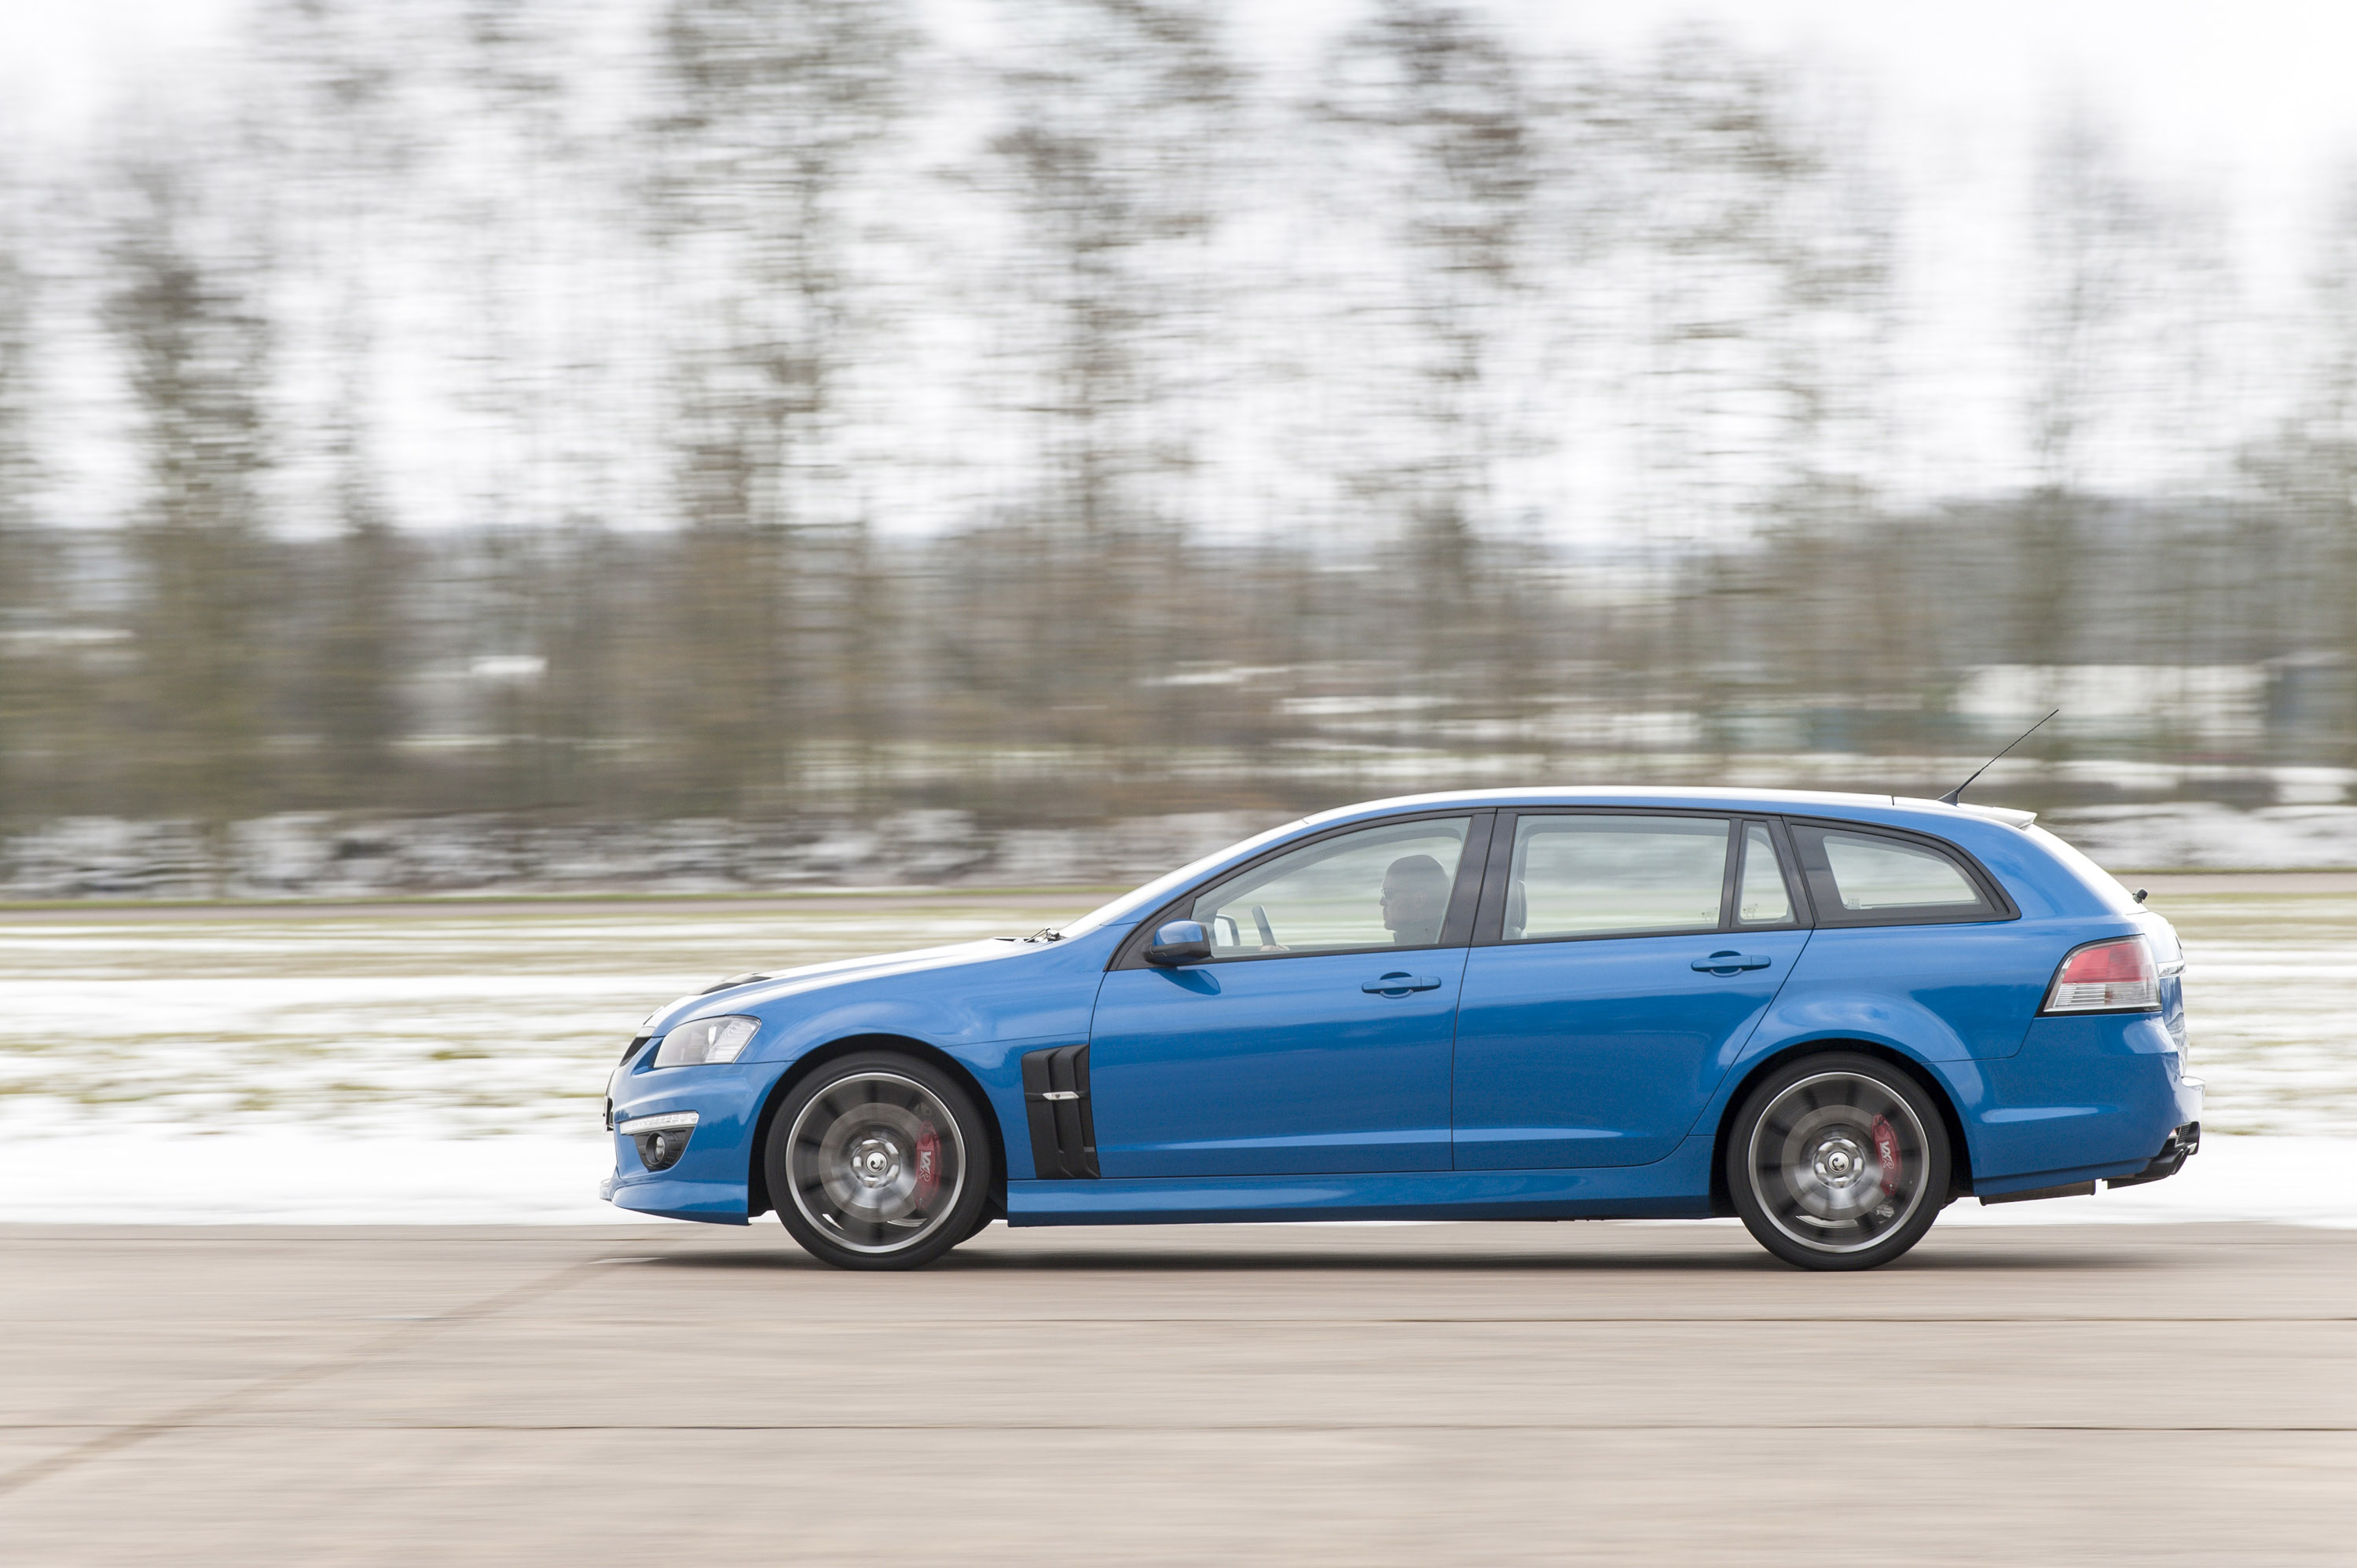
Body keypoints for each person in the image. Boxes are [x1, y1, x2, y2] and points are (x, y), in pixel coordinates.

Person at [1379, 853, 1451, 946]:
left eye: (1388, 893)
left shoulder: (1421, 951)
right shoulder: (1442, 939)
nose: (1381, 902)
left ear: (1419, 900)